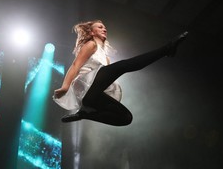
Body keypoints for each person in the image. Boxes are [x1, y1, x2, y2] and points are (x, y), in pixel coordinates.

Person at [53, 20, 188, 126]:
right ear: (92, 32)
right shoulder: (91, 44)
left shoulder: (105, 57)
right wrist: (65, 87)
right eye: (99, 27)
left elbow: (106, 79)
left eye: (104, 27)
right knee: (123, 66)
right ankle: (167, 49)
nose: (104, 29)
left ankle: (84, 115)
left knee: (126, 118)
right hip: (84, 84)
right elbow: (75, 65)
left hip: (92, 95)